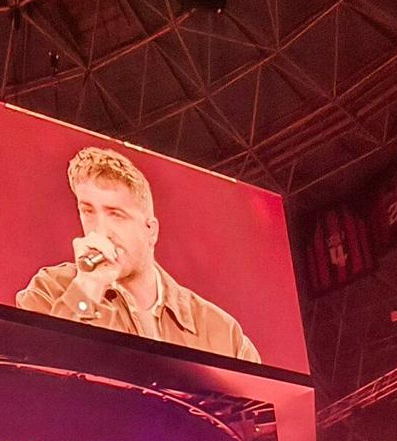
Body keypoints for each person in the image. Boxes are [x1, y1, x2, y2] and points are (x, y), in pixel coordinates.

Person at [15, 146, 260, 362]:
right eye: (88, 211)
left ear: (150, 231)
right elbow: (39, 378)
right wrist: (87, 288)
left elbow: (261, 410)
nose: (100, 230)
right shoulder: (49, 290)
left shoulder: (220, 331)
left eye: (116, 214)